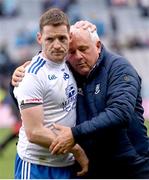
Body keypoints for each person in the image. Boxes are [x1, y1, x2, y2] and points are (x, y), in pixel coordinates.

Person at [11, 21, 149, 178]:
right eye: (71, 52)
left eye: (83, 49)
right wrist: (18, 81)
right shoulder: (67, 70)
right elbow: (36, 95)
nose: (77, 57)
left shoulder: (119, 68)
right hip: (89, 168)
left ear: (97, 45)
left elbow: (120, 112)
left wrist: (74, 134)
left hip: (130, 167)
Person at [12, 8, 88, 179]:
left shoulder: (69, 63)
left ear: (69, 36)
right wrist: (76, 149)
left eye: (62, 38)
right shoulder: (32, 76)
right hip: (36, 166)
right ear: (39, 38)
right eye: (50, 39)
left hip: (65, 164)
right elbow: (34, 132)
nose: (57, 45)